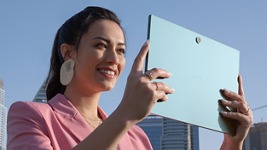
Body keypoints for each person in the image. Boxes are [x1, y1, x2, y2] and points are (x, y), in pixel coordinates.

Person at [7, 6, 253, 150]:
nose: (114, 58)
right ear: (68, 52)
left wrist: (232, 144)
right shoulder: (31, 115)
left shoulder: (136, 138)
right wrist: (125, 114)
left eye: (122, 50)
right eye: (101, 45)